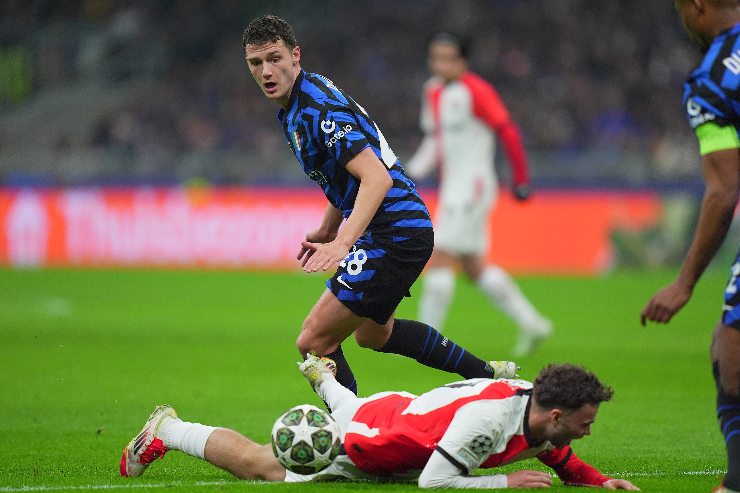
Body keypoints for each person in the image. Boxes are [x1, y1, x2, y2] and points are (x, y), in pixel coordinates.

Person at [241, 14, 518, 397]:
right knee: (374, 334)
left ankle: (352, 437)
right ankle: (489, 374)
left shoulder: (318, 109)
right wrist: (328, 228)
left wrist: (341, 244)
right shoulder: (297, 104)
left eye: (275, 58)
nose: (267, 71)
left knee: (313, 341)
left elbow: (376, 178)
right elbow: (346, 176)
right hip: (394, 230)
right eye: (256, 63)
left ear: (296, 55)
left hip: (393, 232)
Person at [120, 355, 639, 490]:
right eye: (584, 422)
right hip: (377, 443)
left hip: (403, 410)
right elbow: (435, 481)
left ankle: (322, 376)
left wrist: (594, 480)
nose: (586, 430)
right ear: (555, 413)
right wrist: (504, 481)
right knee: (266, 468)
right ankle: (167, 430)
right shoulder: (489, 423)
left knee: (353, 408)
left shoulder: (534, 410)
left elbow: (550, 448)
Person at [640, 1, 740, 491]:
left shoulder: (714, 78)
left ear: (697, 6)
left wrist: (684, 283)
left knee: (730, 355)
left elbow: (724, 189)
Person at [406, 32, 551, 358]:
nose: (440, 64)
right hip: (452, 187)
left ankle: (425, 342)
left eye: (447, 58)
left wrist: (521, 179)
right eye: (436, 57)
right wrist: (409, 173)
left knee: (439, 256)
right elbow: (434, 141)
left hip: (472, 187)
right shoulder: (432, 91)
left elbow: (508, 130)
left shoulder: (476, 90)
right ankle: (533, 323)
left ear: (463, 61)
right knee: (473, 267)